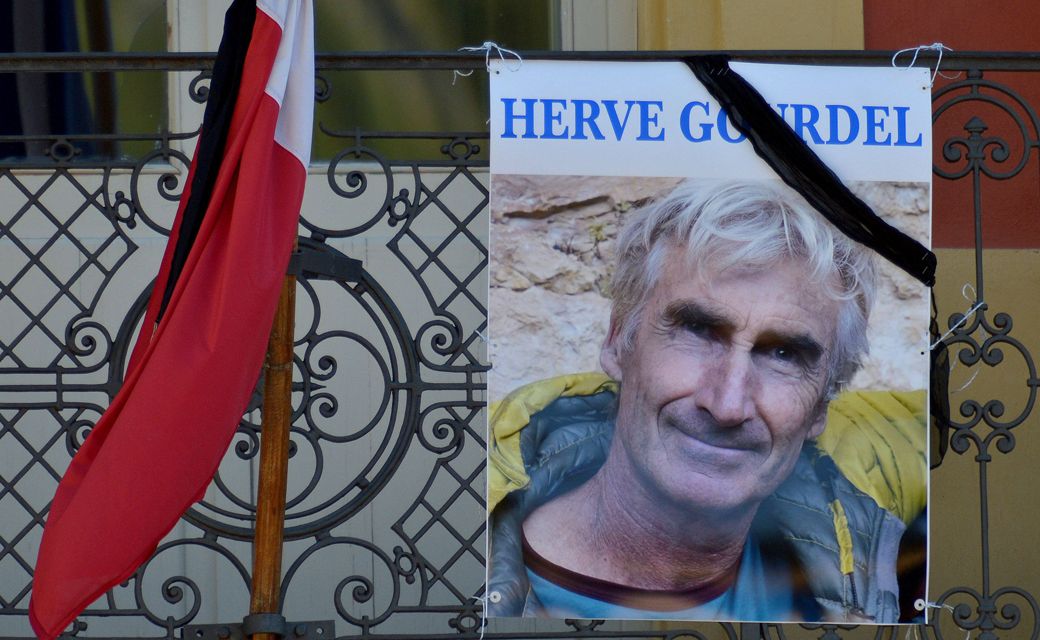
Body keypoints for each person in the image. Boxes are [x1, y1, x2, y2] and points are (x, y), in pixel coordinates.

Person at [487, 180, 927, 623]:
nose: (727, 405)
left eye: (783, 354)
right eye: (697, 330)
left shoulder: (876, 550)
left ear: (822, 406)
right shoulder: (461, 550)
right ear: (619, 340)